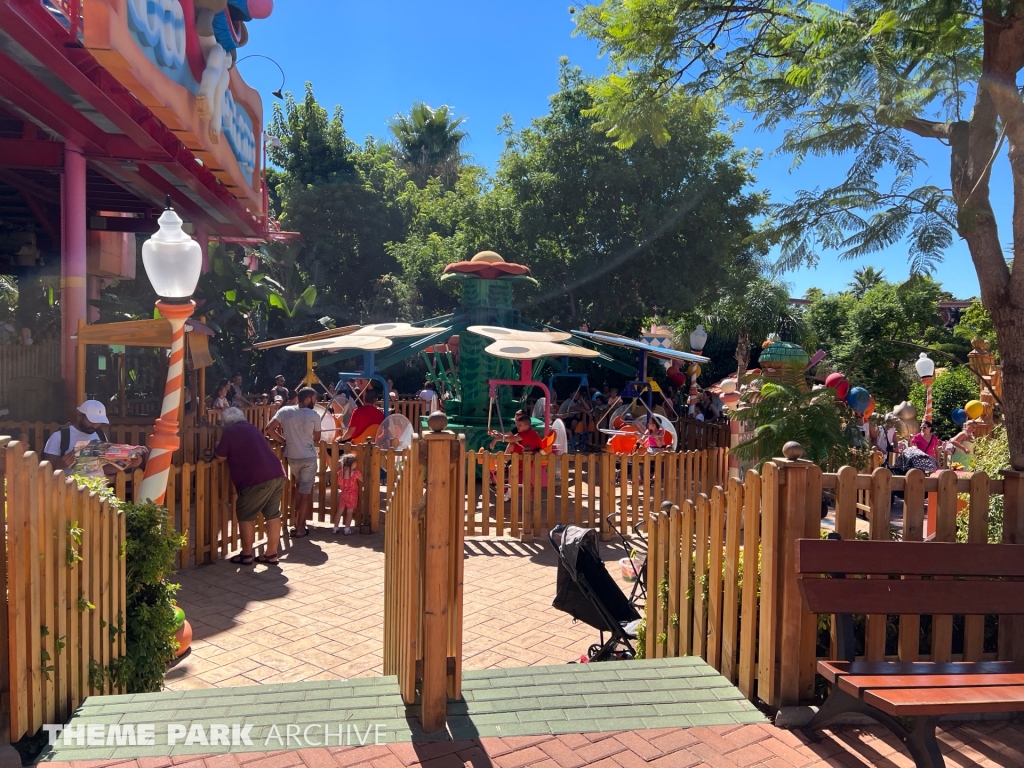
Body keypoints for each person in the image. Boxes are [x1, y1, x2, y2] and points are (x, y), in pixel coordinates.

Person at [215, 408, 285, 565]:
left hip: (255, 479)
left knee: (246, 514)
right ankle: (271, 554)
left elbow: (220, 457)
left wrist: (216, 446)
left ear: (226, 422)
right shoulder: (251, 427)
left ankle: (246, 555)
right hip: (277, 473)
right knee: (273, 514)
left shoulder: (230, 430)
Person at [264, 387, 321, 538]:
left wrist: (284, 441)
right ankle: (300, 528)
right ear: (308, 399)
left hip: (292, 457)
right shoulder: (314, 415)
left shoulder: (285, 411)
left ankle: (296, 524)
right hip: (308, 457)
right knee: (304, 494)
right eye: (314, 399)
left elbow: (269, 429)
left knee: (298, 488)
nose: (315, 401)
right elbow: (317, 439)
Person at [41, 400, 135, 475]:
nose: (95, 425)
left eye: (98, 422)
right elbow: (46, 470)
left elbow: (103, 469)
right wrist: (61, 464)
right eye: (91, 421)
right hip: (71, 492)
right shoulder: (60, 436)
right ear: (79, 416)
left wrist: (129, 463)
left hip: (99, 491)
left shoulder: (100, 435)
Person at [331, 453, 363, 535]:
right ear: (352, 463)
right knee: (349, 512)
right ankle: (347, 529)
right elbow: (363, 480)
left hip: (343, 494)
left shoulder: (340, 472)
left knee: (339, 511)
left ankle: (335, 527)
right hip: (352, 495)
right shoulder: (355, 473)